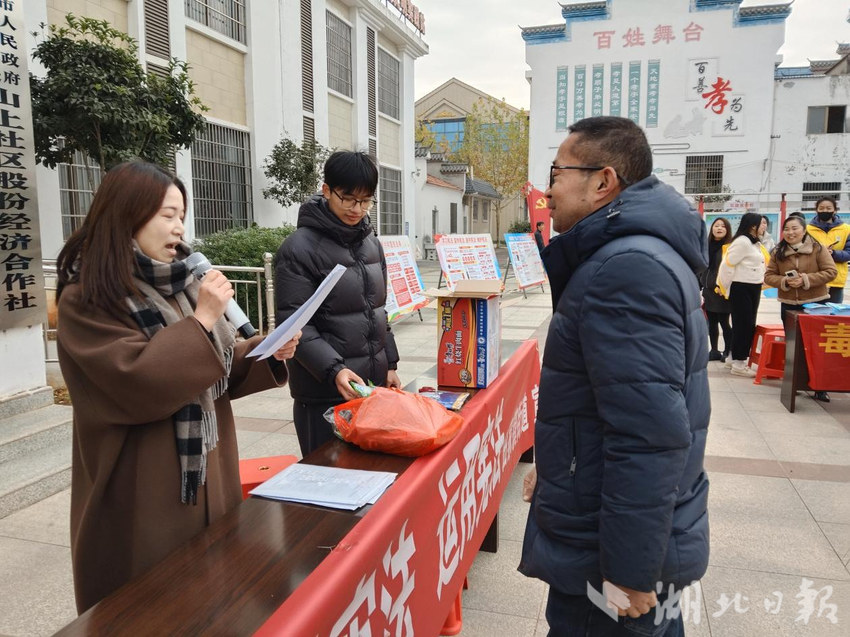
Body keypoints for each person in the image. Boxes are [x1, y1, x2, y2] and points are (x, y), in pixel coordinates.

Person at [55, 162, 300, 614]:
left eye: (181, 215)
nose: (179, 227)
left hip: (209, 471)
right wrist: (202, 319)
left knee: (212, 598)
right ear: (126, 216)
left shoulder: (180, 283)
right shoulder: (87, 298)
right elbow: (137, 382)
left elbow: (214, 368)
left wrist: (267, 350)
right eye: (167, 215)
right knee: (150, 608)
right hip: (141, 488)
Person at [519, 116, 709, 637]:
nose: (548, 190)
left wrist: (628, 570)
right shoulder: (631, 254)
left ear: (603, 181)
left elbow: (647, 434)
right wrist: (556, 467)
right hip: (613, 519)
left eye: (556, 173)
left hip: (608, 552)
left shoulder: (624, 269)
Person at [274, 151, 401, 457]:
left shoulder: (372, 244)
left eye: (366, 201)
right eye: (348, 199)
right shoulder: (298, 249)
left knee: (372, 477)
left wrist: (390, 364)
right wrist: (335, 371)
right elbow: (296, 324)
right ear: (327, 190)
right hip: (322, 394)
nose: (357, 209)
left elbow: (377, 311)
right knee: (329, 478)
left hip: (369, 388)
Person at [764, 216, 836, 401]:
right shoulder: (778, 251)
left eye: (794, 228)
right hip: (789, 305)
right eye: (786, 229)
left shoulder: (817, 248)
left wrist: (805, 279)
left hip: (815, 305)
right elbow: (769, 276)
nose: (790, 232)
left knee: (816, 346)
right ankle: (794, 383)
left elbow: (831, 272)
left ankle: (820, 386)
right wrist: (785, 281)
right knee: (792, 346)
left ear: (804, 230)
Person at [717, 213, 768, 378]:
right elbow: (727, 265)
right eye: (762, 223)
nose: (765, 226)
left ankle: (732, 358)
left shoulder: (754, 242)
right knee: (744, 325)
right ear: (753, 226)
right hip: (741, 287)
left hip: (752, 287)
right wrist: (726, 287)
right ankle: (739, 364)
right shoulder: (743, 242)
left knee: (745, 324)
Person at [806, 196, 850, 304]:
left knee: (834, 313)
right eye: (821, 208)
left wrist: (833, 253)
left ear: (834, 210)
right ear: (816, 210)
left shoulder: (846, 229)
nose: (824, 211)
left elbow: (849, 253)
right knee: (813, 312)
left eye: (828, 208)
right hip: (814, 280)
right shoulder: (807, 229)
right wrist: (819, 253)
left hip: (836, 280)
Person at [703, 218, 734, 361]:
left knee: (724, 321)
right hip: (708, 289)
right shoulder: (706, 245)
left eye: (723, 226)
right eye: (716, 226)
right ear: (712, 229)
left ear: (727, 229)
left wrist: (725, 286)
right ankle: (714, 350)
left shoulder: (730, 247)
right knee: (712, 321)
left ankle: (727, 351)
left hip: (722, 290)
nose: (719, 228)